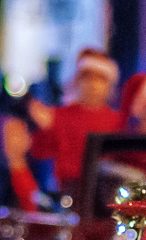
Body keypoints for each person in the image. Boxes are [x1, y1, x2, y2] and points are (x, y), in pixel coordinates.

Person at [28, 48, 122, 205]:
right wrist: (43, 128)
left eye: (100, 79)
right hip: (67, 194)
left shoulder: (118, 121)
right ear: (77, 81)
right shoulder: (59, 116)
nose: (93, 84)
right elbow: (39, 153)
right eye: (87, 77)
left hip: (106, 195)